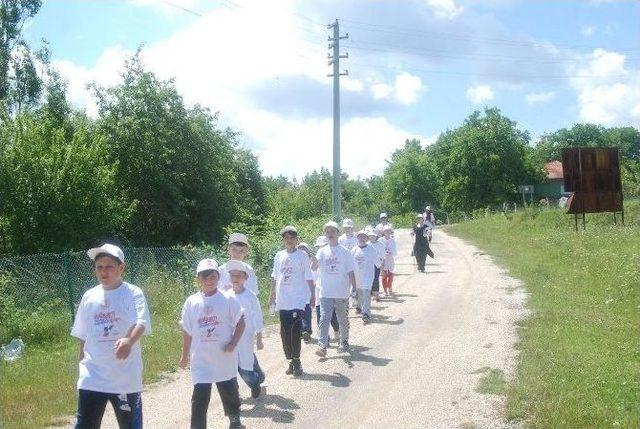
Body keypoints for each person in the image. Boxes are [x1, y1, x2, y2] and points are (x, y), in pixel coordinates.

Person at [71, 243, 151, 429]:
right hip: (92, 375)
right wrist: (81, 362)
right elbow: (83, 334)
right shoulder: (89, 296)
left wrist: (129, 341)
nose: (103, 272)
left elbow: (141, 322)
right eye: (99, 267)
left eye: (109, 267)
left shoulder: (132, 293)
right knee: (85, 425)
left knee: (130, 425)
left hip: (124, 377)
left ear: (121, 268)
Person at [179, 258, 246, 429]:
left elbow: (241, 322)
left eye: (213, 277)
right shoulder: (191, 302)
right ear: (198, 279)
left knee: (228, 389)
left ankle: (234, 418)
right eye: (204, 277)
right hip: (201, 359)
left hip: (223, 356)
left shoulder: (228, 299)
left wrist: (233, 343)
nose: (209, 281)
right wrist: (184, 356)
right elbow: (187, 331)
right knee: (199, 396)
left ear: (218, 277)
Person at [269, 225, 315, 377]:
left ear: (296, 239)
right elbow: (275, 277)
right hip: (283, 300)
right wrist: (272, 296)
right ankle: (291, 360)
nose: (289, 240)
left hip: (297, 300)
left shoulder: (302, 256)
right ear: (283, 240)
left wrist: (312, 295)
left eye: (292, 238)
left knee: (295, 331)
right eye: (286, 238)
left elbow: (309, 276)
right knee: (284, 332)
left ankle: (297, 362)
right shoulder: (278, 256)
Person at [315, 221, 357, 357]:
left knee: (342, 318)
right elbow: (314, 267)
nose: (330, 234)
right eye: (327, 232)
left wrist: (354, 288)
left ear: (338, 233)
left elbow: (351, 271)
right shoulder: (321, 251)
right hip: (325, 292)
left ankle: (344, 341)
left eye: (333, 231)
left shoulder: (345, 252)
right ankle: (322, 345)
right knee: (324, 318)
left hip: (341, 292)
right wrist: (312, 261)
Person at [226, 260, 265, 400]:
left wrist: (259, 339)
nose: (235, 278)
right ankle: (235, 396)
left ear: (245, 278)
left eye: (239, 276)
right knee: (230, 370)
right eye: (233, 275)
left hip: (246, 338)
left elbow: (257, 317)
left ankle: (255, 383)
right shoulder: (226, 296)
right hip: (229, 338)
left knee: (245, 370)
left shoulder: (250, 296)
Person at [313, 235, 340, 340]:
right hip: (318, 291)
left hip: (330, 292)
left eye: (322, 246)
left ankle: (337, 329)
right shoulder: (316, 259)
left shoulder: (332, 258)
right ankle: (324, 339)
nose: (320, 248)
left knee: (332, 315)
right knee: (320, 316)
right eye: (318, 247)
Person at [351, 230, 377, 323]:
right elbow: (349, 264)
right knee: (360, 293)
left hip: (368, 276)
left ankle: (366, 313)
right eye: (360, 236)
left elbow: (377, 262)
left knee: (366, 294)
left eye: (363, 237)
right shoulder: (354, 250)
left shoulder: (371, 249)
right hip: (357, 277)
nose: (361, 238)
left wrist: (382, 270)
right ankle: (359, 306)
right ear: (357, 238)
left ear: (367, 238)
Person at [296, 242, 315, 343]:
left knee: (307, 314)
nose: (302, 250)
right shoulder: (294, 260)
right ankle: (304, 331)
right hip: (297, 293)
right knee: (299, 314)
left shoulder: (311, 262)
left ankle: (306, 331)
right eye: (300, 248)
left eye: (304, 249)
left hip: (307, 292)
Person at [367, 228, 384, 302]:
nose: (371, 237)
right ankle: (370, 293)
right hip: (368, 265)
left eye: (373, 236)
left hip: (377, 264)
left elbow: (382, 256)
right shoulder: (367, 244)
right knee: (368, 279)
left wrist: (381, 266)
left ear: (376, 236)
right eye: (370, 236)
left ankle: (376, 294)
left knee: (375, 278)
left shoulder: (380, 244)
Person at [379, 225, 397, 296]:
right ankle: (385, 290)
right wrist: (383, 253)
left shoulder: (392, 240)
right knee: (384, 275)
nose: (387, 232)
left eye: (389, 231)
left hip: (390, 259)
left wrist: (390, 252)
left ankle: (389, 286)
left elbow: (395, 251)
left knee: (390, 274)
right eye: (386, 231)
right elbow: (378, 250)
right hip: (383, 260)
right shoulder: (380, 240)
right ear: (383, 232)